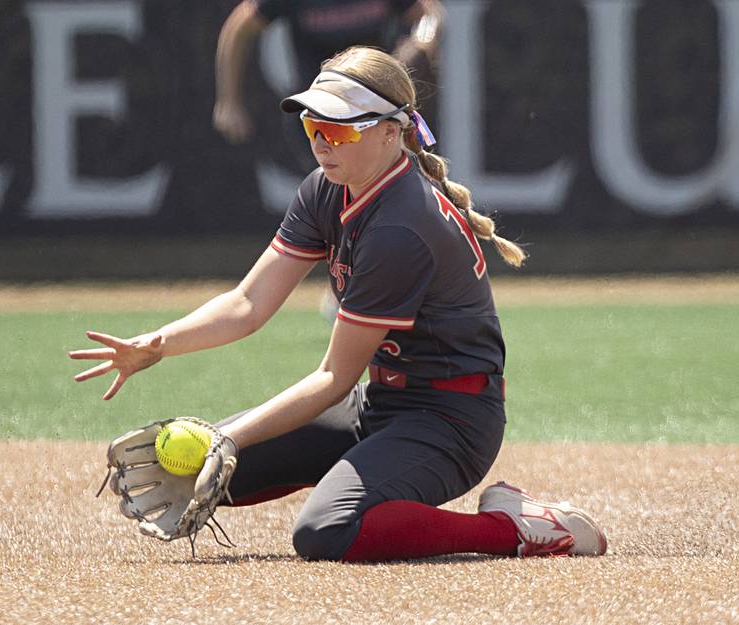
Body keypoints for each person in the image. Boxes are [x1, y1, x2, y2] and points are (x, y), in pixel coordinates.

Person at [70, 46, 607, 561]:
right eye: (312, 126)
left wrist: (228, 435)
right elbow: (247, 303)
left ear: (391, 132)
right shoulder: (328, 187)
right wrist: (157, 345)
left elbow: (333, 378)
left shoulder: (401, 227)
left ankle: (515, 528)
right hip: (380, 406)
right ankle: (362, 472)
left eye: (337, 128)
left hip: (451, 422)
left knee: (328, 529)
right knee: (198, 478)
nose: (321, 142)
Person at [213, 0, 444, 145]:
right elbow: (240, 28)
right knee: (337, 198)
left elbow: (427, 13)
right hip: (318, 113)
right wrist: (228, 101)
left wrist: (420, 42)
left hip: (377, 108)